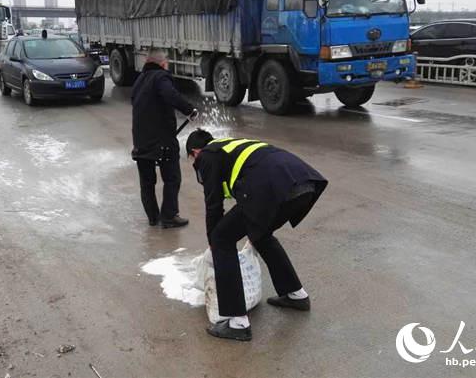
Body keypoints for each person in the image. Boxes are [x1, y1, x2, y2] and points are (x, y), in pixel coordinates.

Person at [185, 129, 328, 341]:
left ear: (195, 151)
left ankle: (237, 322)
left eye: (192, 158)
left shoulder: (207, 155)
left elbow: (213, 204)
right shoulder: (230, 146)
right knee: (260, 234)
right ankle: (295, 294)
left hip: (272, 188)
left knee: (221, 238)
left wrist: (213, 241)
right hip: (303, 184)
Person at [131, 48, 197, 228]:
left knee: (147, 182)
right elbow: (170, 95)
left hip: (140, 141)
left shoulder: (139, 80)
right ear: (162, 63)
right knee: (172, 178)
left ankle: (153, 217)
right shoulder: (161, 77)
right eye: (166, 61)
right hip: (162, 142)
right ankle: (168, 216)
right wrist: (189, 109)